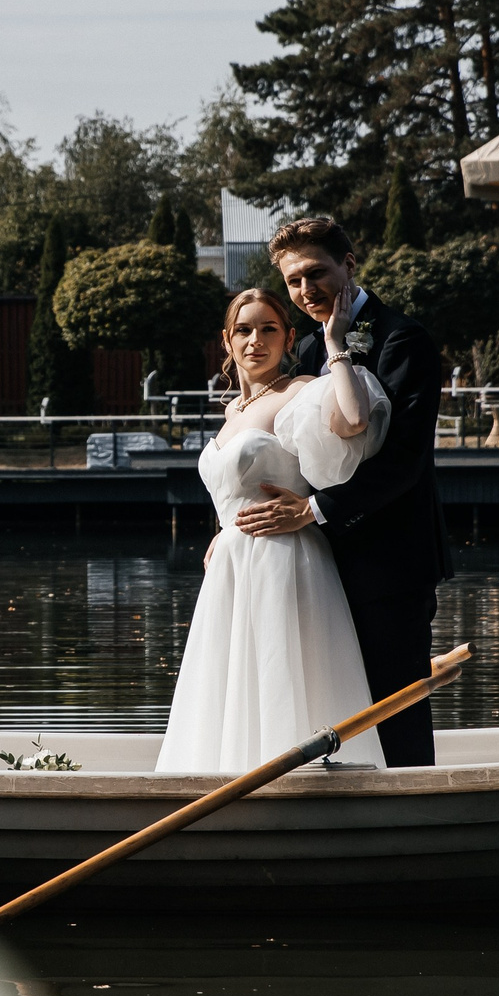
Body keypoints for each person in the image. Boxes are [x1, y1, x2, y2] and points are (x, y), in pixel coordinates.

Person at [233, 216, 451, 767]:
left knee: (394, 707)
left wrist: (314, 509)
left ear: (349, 265)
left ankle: (410, 826)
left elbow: (405, 462)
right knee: (328, 704)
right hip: (316, 568)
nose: (306, 291)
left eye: (316, 273)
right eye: (293, 281)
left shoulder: (404, 339)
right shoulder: (305, 351)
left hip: (389, 566)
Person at [157, 287, 390, 774]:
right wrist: (227, 529)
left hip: (283, 559)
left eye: (269, 329)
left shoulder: (301, 390)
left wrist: (335, 345)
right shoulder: (230, 413)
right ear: (226, 340)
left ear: (288, 339)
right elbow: (233, 488)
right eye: (244, 330)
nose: (255, 340)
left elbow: (352, 419)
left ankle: (295, 787)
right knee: (229, 683)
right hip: (231, 569)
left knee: (280, 673)